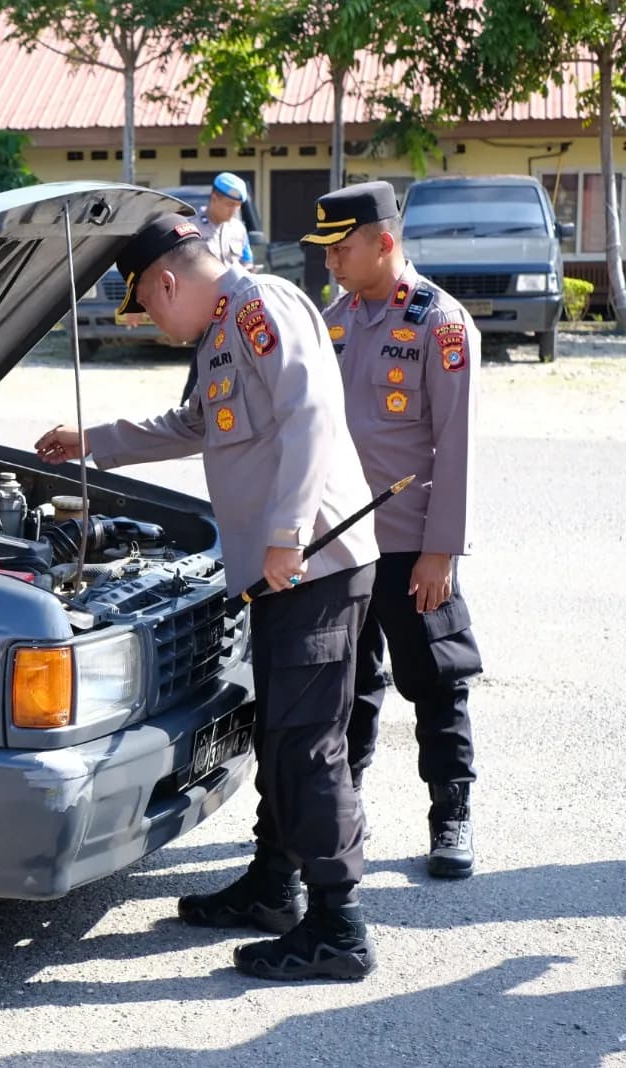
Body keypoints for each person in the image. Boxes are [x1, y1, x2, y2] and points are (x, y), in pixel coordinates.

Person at [35, 213, 381, 981]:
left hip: (312, 562)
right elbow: (197, 422)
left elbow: (311, 412)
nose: (155, 325)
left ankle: (339, 925)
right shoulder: (223, 331)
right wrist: (94, 439)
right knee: (282, 733)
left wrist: (288, 533)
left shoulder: (262, 307)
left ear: (166, 280)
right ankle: (272, 887)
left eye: (150, 309)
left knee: (306, 742)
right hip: (284, 569)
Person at [304, 181, 482, 878]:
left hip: (412, 544)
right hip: (341, 541)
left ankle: (452, 812)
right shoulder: (334, 319)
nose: (331, 265)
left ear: (384, 243)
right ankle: (343, 811)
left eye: (341, 250)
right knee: (347, 685)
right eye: (325, 254)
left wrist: (440, 551)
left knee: (437, 680)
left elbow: (457, 447)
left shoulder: (440, 323)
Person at [179, 173, 254, 402]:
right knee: (203, 364)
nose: (233, 211)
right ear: (214, 198)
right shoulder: (191, 227)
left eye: (238, 206)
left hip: (234, 309)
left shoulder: (238, 229)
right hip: (205, 310)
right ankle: (187, 414)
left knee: (234, 365)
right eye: (230, 204)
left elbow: (246, 263)